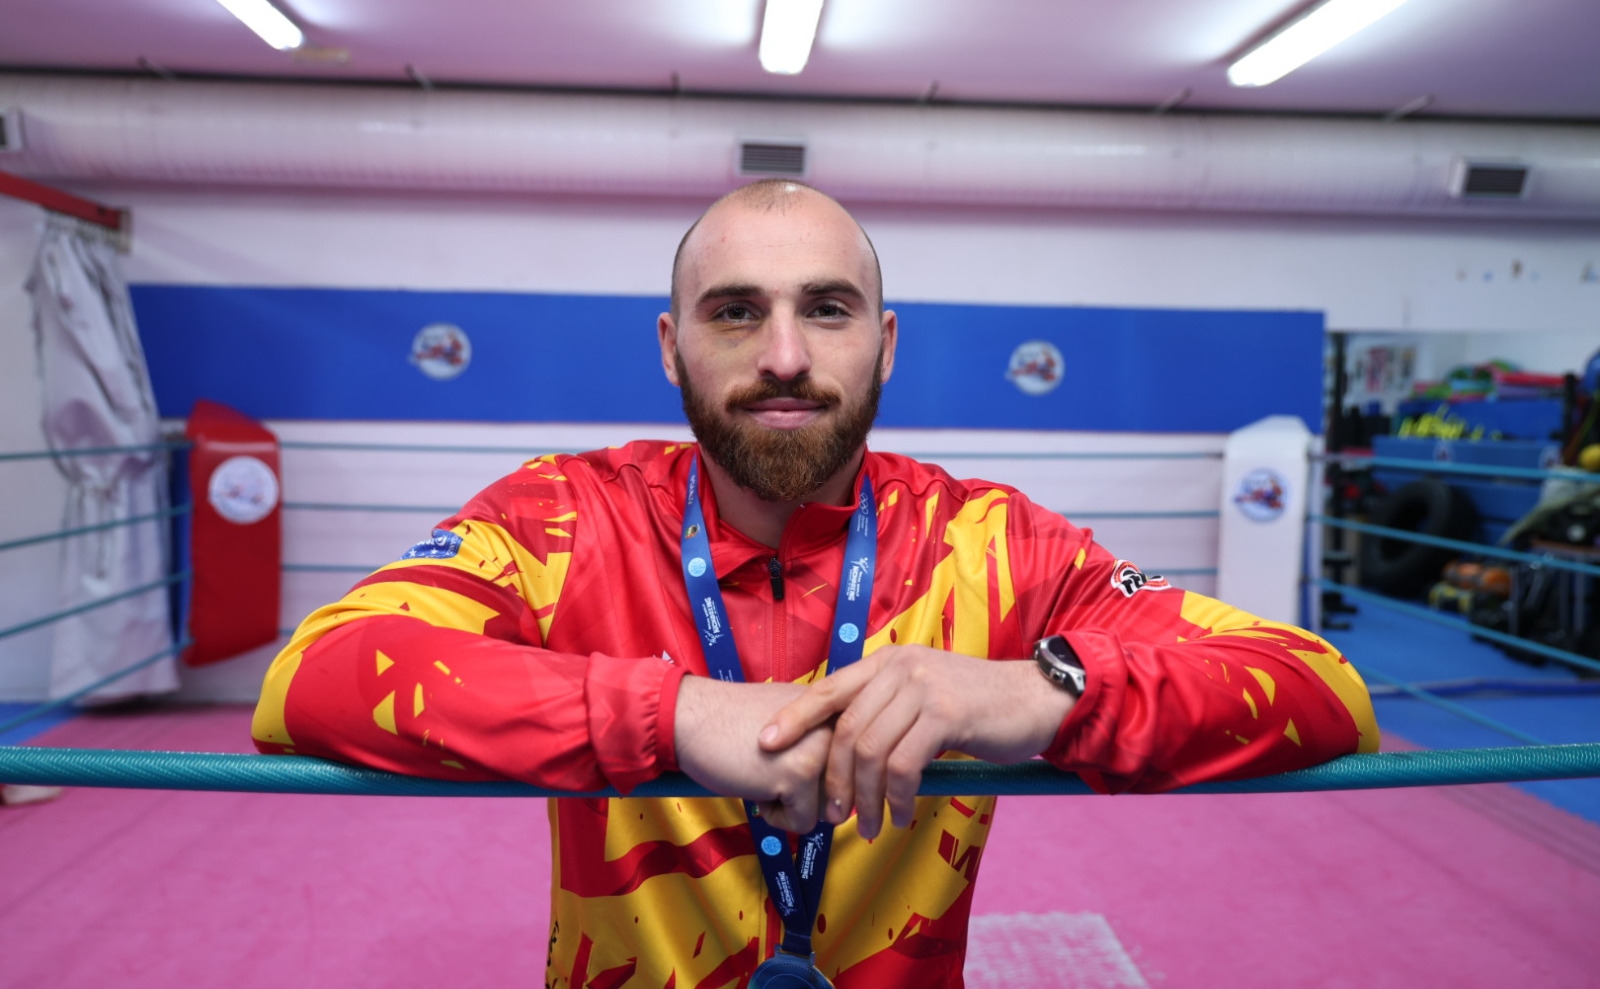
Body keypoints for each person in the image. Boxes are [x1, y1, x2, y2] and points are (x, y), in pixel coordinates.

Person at [252, 180, 1377, 989]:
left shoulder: (994, 544)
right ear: (670, 346)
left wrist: (1035, 689)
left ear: (885, 344)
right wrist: (669, 713)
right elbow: (314, 672)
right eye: (736, 310)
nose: (784, 356)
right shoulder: (564, 516)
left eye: (826, 309)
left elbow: (1321, 685)